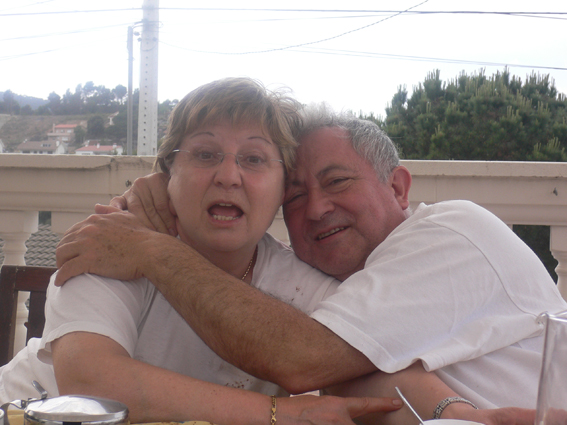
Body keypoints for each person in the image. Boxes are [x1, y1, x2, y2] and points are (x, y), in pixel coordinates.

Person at [53, 104, 561, 424]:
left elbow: (307, 361)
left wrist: (153, 249)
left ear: (397, 187)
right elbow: (350, 375)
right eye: (294, 196)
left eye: (337, 181)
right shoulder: (339, 293)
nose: (315, 209)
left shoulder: (452, 232)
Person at [0, 78, 408, 425]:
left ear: (283, 189)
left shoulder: (303, 285)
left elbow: (377, 366)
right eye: (205, 155)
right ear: (167, 174)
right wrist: (280, 414)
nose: (228, 176)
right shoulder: (111, 245)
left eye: (254, 159)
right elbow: (91, 384)